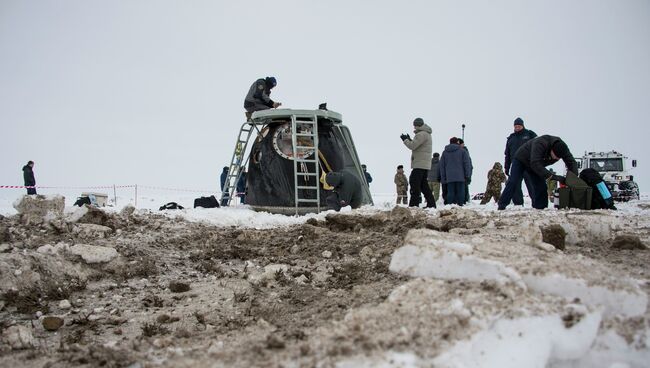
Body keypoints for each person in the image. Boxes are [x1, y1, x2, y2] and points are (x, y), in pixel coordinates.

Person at [498, 135, 578, 210]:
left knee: (541, 186)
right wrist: (554, 177)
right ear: (551, 149)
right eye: (555, 156)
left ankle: (541, 208)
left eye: (559, 158)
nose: (556, 158)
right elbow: (535, 164)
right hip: (521, 160)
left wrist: (573, 180)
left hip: (535, 164)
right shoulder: (540, 143)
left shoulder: (563, 149)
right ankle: (502, 205)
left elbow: (572, 162)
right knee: (513, 182)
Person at [400, 118, 436, 208]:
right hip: (424, 164)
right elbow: (418, 145)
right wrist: (410, 139)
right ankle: (431, 204)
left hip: (419, 164)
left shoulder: (421, 134)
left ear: (417, 125)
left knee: (414, 183)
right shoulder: (426, 134)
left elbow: (412, 146)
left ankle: (414, 204)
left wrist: (405, 140)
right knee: (424, 185)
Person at [504, 117, 537, 206]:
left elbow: (538, 147)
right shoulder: (511, 138)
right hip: (516, 165)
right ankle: (518, 204)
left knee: (531, 185)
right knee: (515, 185)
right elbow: (507, 155)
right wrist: (506, 167)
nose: (517, 128)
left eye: (519, 126)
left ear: (523, 126)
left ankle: (536, 203)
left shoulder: (530, 134)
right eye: (516, 126)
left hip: (528, 164)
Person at [439, 137, 473, 206]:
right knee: (461, 193)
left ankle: (449, 206)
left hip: (449, 177)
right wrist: (467, 175)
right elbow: (467, 164)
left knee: (450, 192)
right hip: (461, 176)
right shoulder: (463, 151)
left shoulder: (445, 152)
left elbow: (442, 166)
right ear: (457, 142)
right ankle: (460, 206)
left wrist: (443, 178)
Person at [457, 138, 473, 204]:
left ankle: (465, 200)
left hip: (464, 172)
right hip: (464, 172)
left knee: (464, 187)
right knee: (464, 187)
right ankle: (465, 200)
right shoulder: (465, 151)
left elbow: (468, 164)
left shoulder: (464, 151)